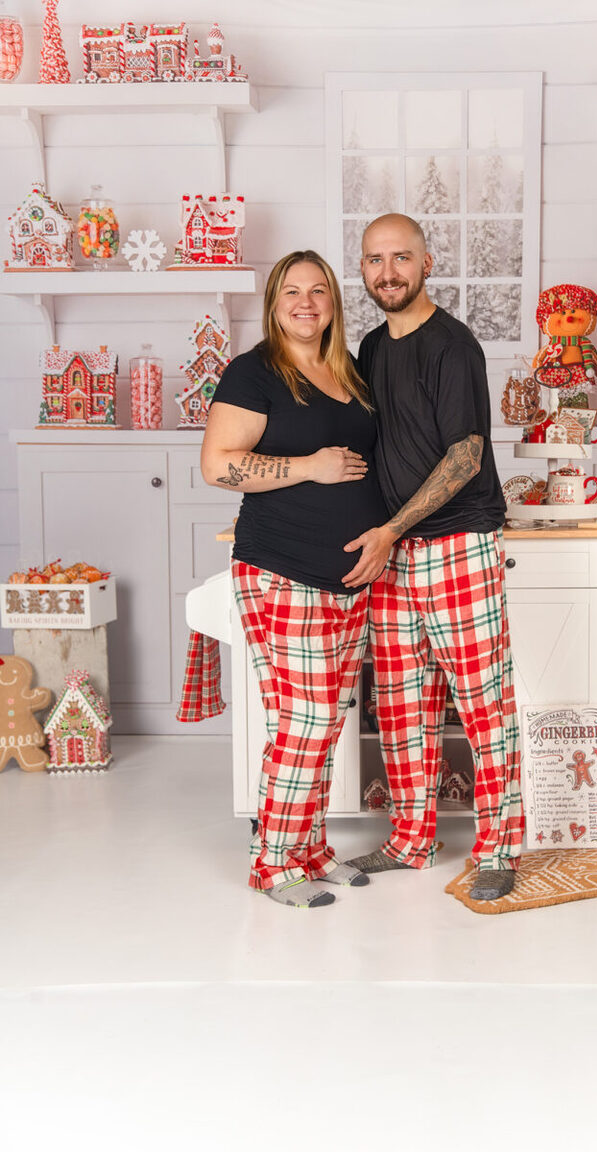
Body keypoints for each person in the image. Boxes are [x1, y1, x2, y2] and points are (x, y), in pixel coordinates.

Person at [342, 213, 525, 902]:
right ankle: (411, 839)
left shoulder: (455, 345)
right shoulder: (369, 346)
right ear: (363, 268)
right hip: (392, 552)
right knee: (400, 704)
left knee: (482, 704)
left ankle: (498, 847)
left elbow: (466, 455)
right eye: (373, 259)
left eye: (400, 258)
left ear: (426, 262)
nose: (386, 272)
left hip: (457, 543)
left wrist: (393, 528)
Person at [201, 250, 387, 909]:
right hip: (281, 571)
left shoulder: (347, 373)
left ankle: (310, 850)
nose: (305, 303)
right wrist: (308, 467)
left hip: (346, 579)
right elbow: (217, 465)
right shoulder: (255, 374)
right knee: (305, 721)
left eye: (318, 291)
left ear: (334, 302)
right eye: (291, 293)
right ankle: (273, 863)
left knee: (320, 722)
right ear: (274, 304)